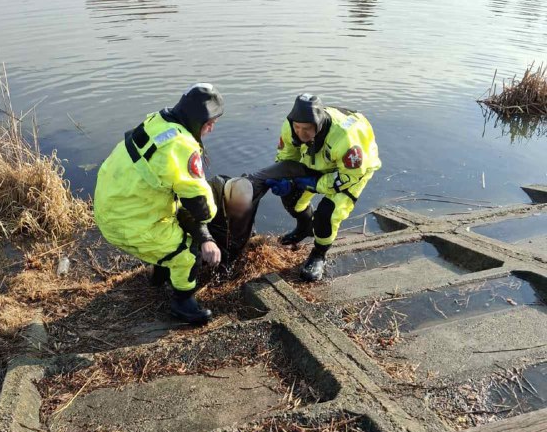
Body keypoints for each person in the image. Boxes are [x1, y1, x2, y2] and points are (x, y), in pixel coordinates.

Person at [93, 83, 224, 325]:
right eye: (209, 124)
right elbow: (201, 206)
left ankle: (160, 273)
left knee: (173, 216)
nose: (211, 129)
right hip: (128, 222)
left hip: (111, 206)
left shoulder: (157, 121)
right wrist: (207, 231)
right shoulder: (182, 146)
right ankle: (183, 303)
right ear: (200, 121)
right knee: (187, 252)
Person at [250, 93, 381, 282]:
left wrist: (312, 184)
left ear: (319, 124)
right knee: (292, 199)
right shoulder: (291, 127)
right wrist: (286, 180)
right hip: (319, 162)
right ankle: (304, 228)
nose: (301, 134)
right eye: (297, 128)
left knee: (326, 214)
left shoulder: (346, 138)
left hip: (352, 172)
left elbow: (348, 176)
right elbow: (287, 157)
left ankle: (319, 254)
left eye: (307, 129)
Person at [178, 175, 255, 270]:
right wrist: (206, 240)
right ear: (224, 198)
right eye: (235, 208)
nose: (239, 214)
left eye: (242, 210)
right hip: (204, 226)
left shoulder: (251, 188)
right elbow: (188, 216)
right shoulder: (206, 196)